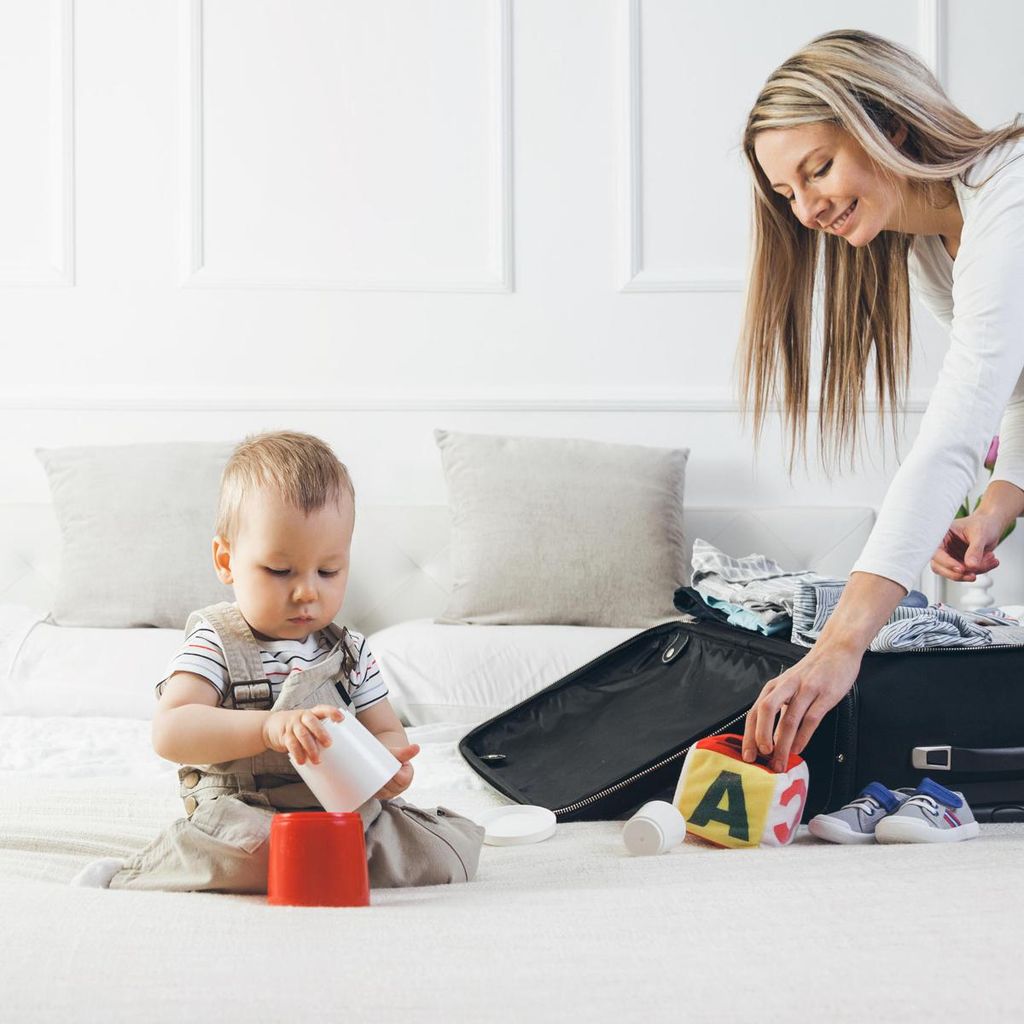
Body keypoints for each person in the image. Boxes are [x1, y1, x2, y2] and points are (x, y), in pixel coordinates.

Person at [737, 30, 1024, 773]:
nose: (806, 210)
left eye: (818, 169)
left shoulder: (1012, 195)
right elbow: (1018, 386)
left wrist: (840, 645)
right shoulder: (935, 243)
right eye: (787, 193)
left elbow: (957, 426)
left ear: (889, 124)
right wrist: (997, 506)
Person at [70, 430, 483, 892]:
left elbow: (387, 731)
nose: (307, 591)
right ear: (226, 561)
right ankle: (133, 873)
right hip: (248, 814)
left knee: (440, 855)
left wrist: (387, 769)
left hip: (339, 813)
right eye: (280, 571)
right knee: (264, 853)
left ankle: (333, 860)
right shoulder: (217, 643)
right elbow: (172, 731)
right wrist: (269, 728)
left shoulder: (351, 653)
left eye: (328, 571)